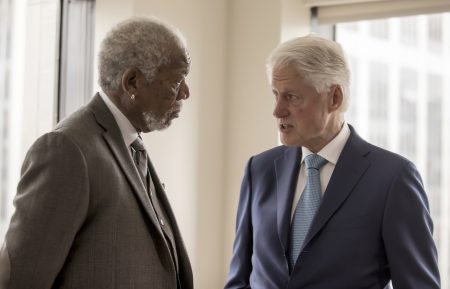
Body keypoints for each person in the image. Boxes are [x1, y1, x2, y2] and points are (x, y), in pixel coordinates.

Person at [224, 35, 440, 289]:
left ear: (334, 98)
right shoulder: (258, 170)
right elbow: (239, 279)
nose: (277, 110)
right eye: (275, 94)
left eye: (292, 97)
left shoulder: (393, 178)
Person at [0, 17, 193, 289]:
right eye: (176, 82)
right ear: (132, 82)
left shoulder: (130, 145)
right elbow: (20, 281)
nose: (185, 93)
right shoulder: (66, 151)